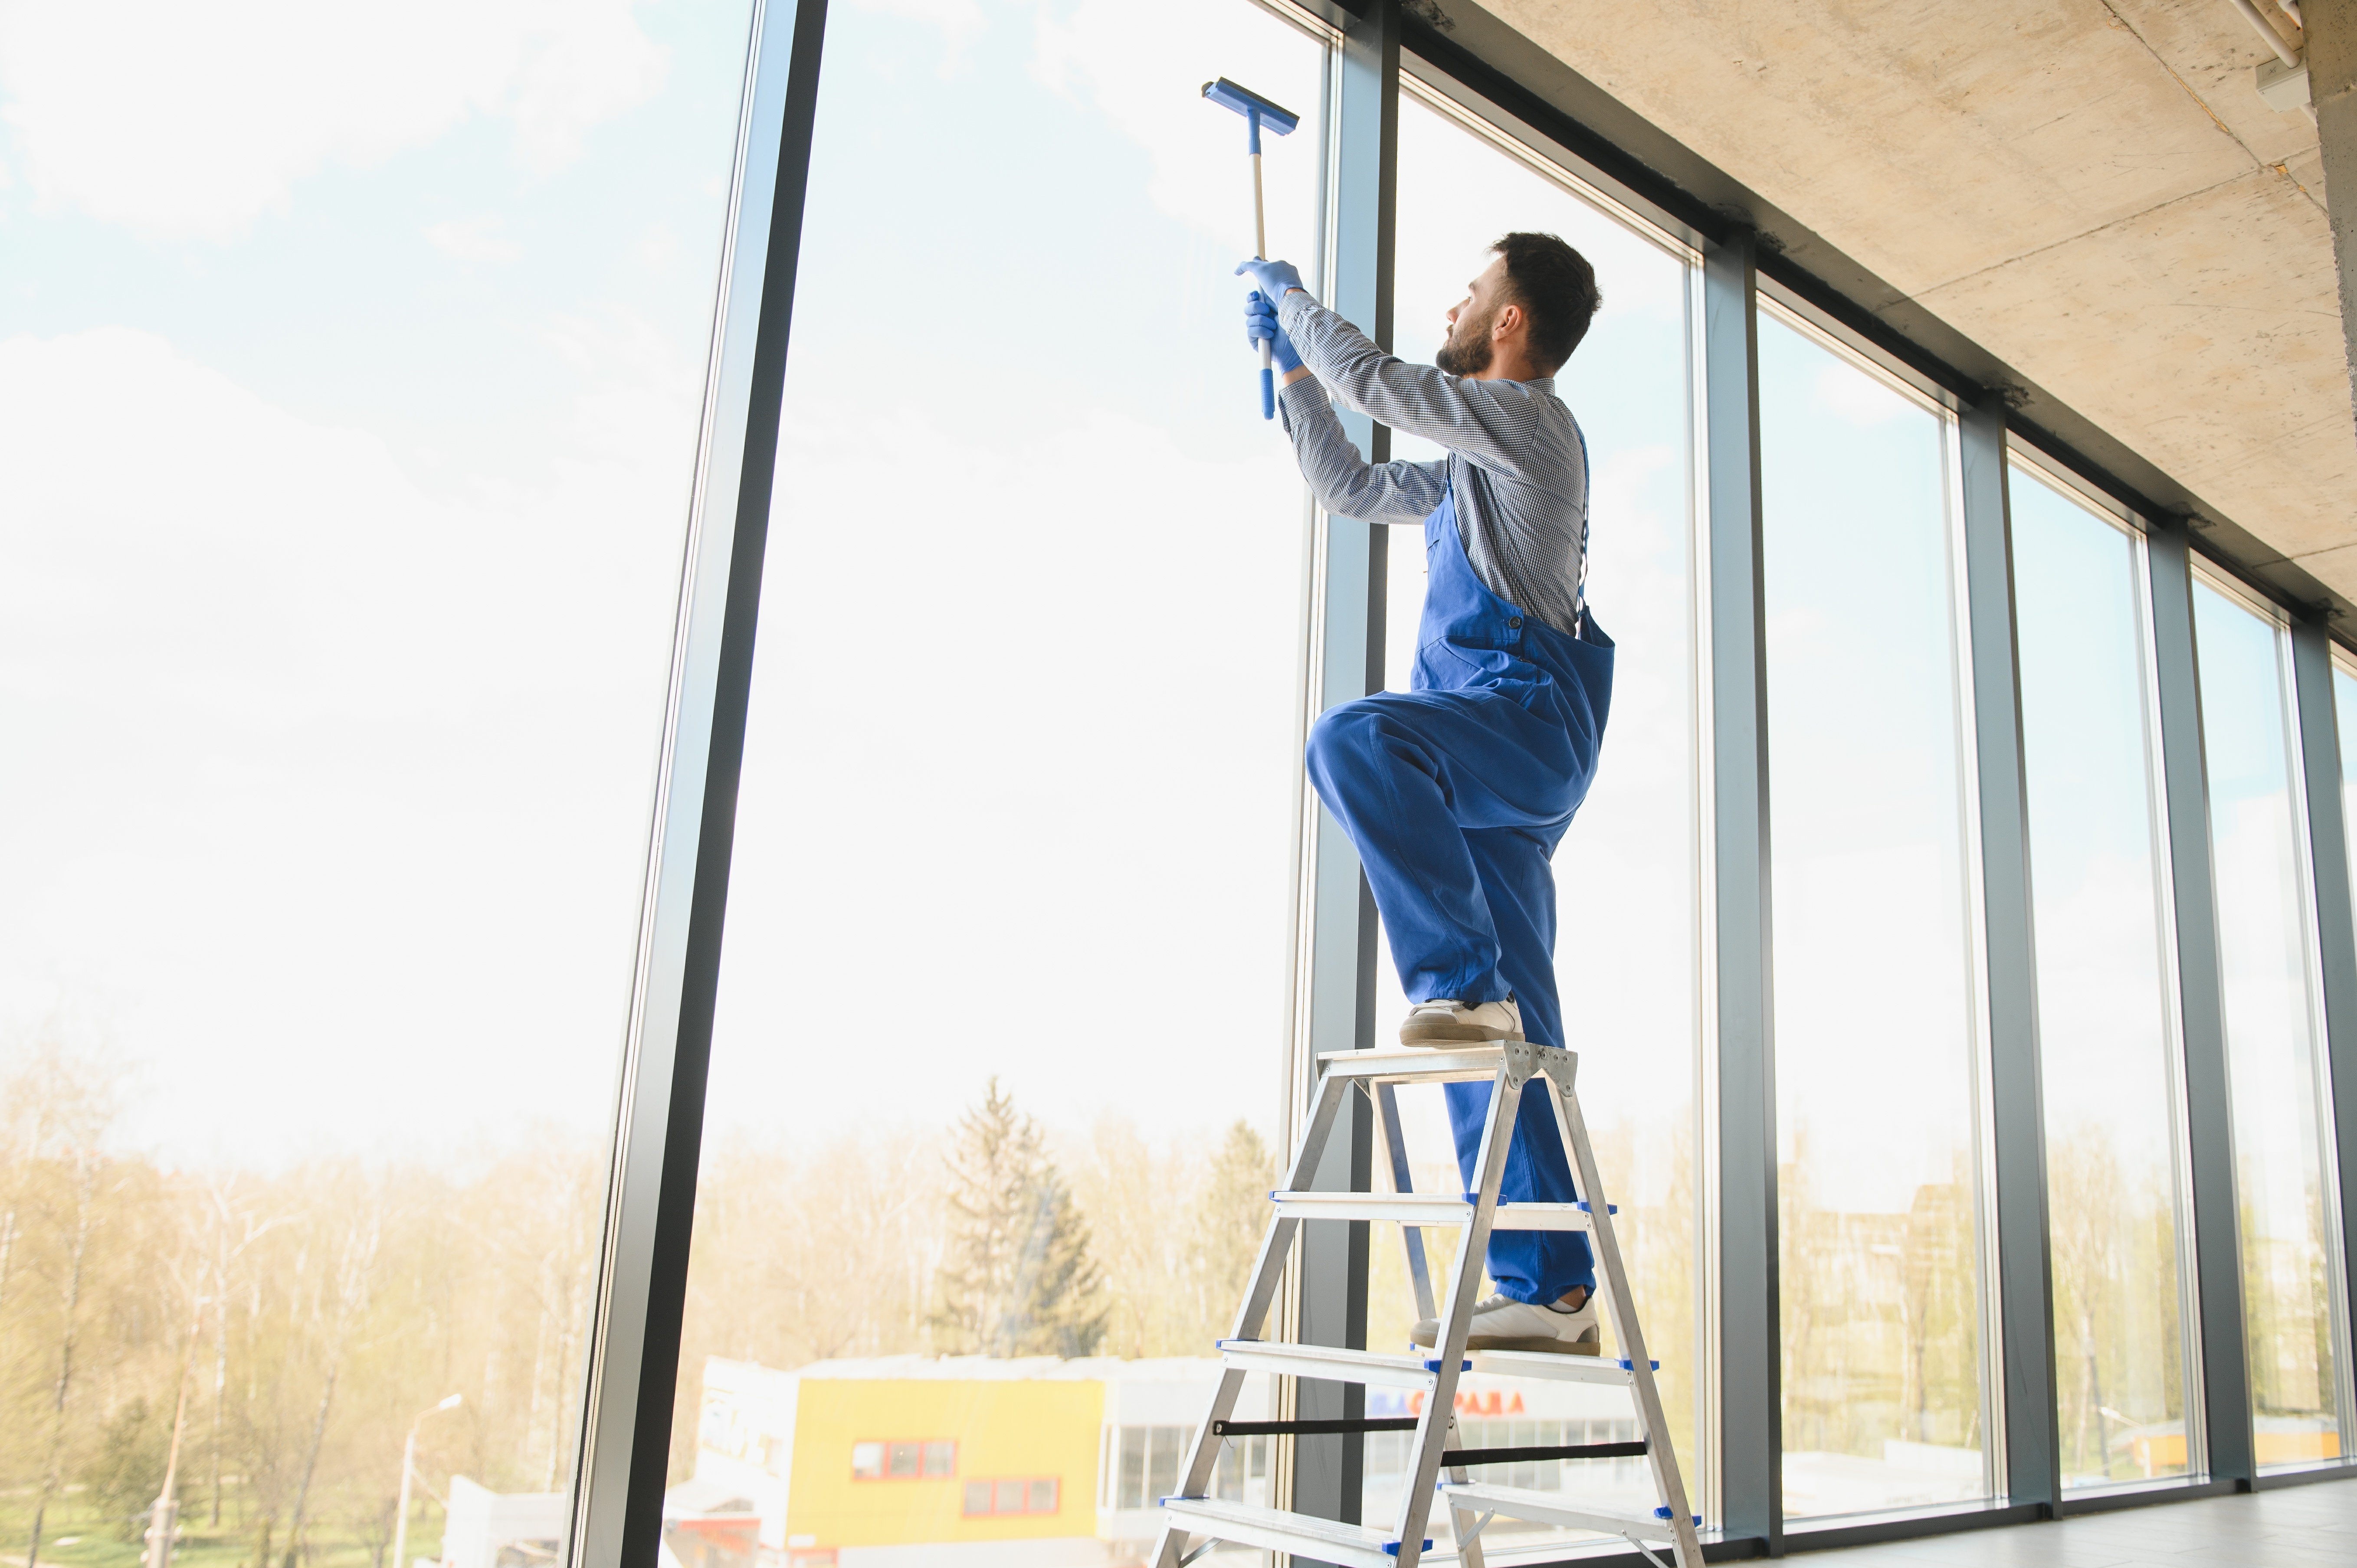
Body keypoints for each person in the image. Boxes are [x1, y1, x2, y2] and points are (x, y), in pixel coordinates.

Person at [1236, 234, 1610, 1356]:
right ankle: (1552, 1288)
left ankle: (1457, 983)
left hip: (1517, 725)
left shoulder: (1526, 421)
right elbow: (1349, 485)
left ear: (1508, 325)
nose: (1454, 302)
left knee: (1353, 743)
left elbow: (1377, 383)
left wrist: (1293, 299)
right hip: (1493, 765)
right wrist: (1292, 376)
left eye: (1471, 289)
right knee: (1511, 1038)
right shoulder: (1468, 471)